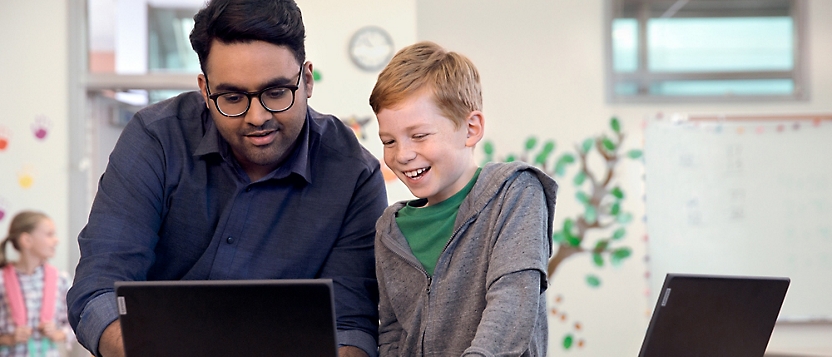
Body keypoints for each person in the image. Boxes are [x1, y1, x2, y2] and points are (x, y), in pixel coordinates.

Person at [66, 1, 388, 356]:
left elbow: (349, 326)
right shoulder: (157, 139)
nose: (257, 116)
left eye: (276, 93)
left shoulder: (355, 175)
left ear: (307, 79)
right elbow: (98, 289)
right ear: (205, 90)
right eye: (232, 97)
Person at [369, 41, 558, 356]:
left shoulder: (516, 193)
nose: (402, 154)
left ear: (471, 129)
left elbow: (513, 302)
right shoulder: (389, 230)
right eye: (389, 141)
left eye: (419, 136)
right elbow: (390, 332)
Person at [0, 211, 72, 357]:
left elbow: (76, 324)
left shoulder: (61, 280)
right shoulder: (1, 280)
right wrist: (8, 339)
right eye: (49, 234)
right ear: (27, 240)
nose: (56, 240)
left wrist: (58, 334)